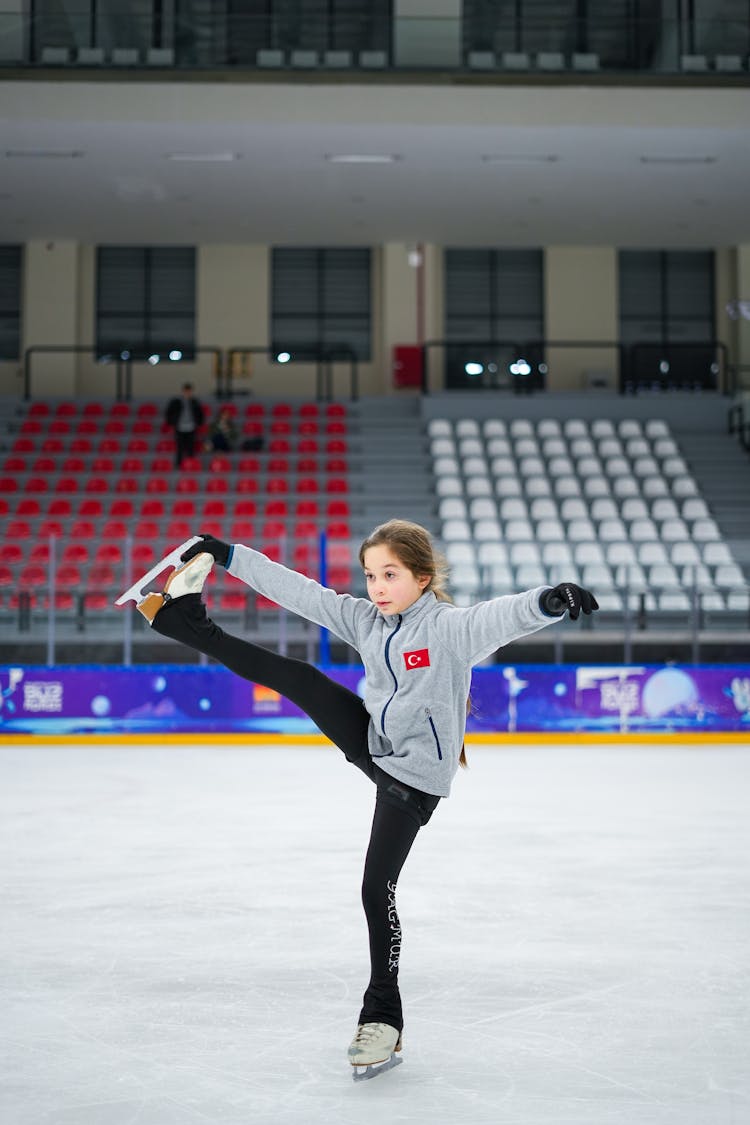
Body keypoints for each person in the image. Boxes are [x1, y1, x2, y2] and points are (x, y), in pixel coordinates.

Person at [119, 520, 598, 1078]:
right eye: (371, 575)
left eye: (390, 575)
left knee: (376, 886)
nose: (378, 586)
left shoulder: (446, 630)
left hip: (414, 780)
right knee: (297, 675)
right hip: (374, 740)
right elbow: (300, 591)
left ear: (422, 577)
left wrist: (550, 599)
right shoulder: (368, 621)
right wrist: (228, 554)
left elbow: (500, 616)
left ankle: (384, 1018)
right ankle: (185, 619)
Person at [164, 383, 205, 467]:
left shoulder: (195, 402)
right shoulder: (176, 402)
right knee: (179, 447)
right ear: (183, 391)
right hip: (180, 427)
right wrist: (172, 422)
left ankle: (191, 464)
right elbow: (169, 412)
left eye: (189, 391)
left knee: (191, 447)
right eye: (186, 391)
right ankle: (178, 465)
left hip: (191, 427)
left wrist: (199, 422)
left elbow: (200, 414)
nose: (188, 393)